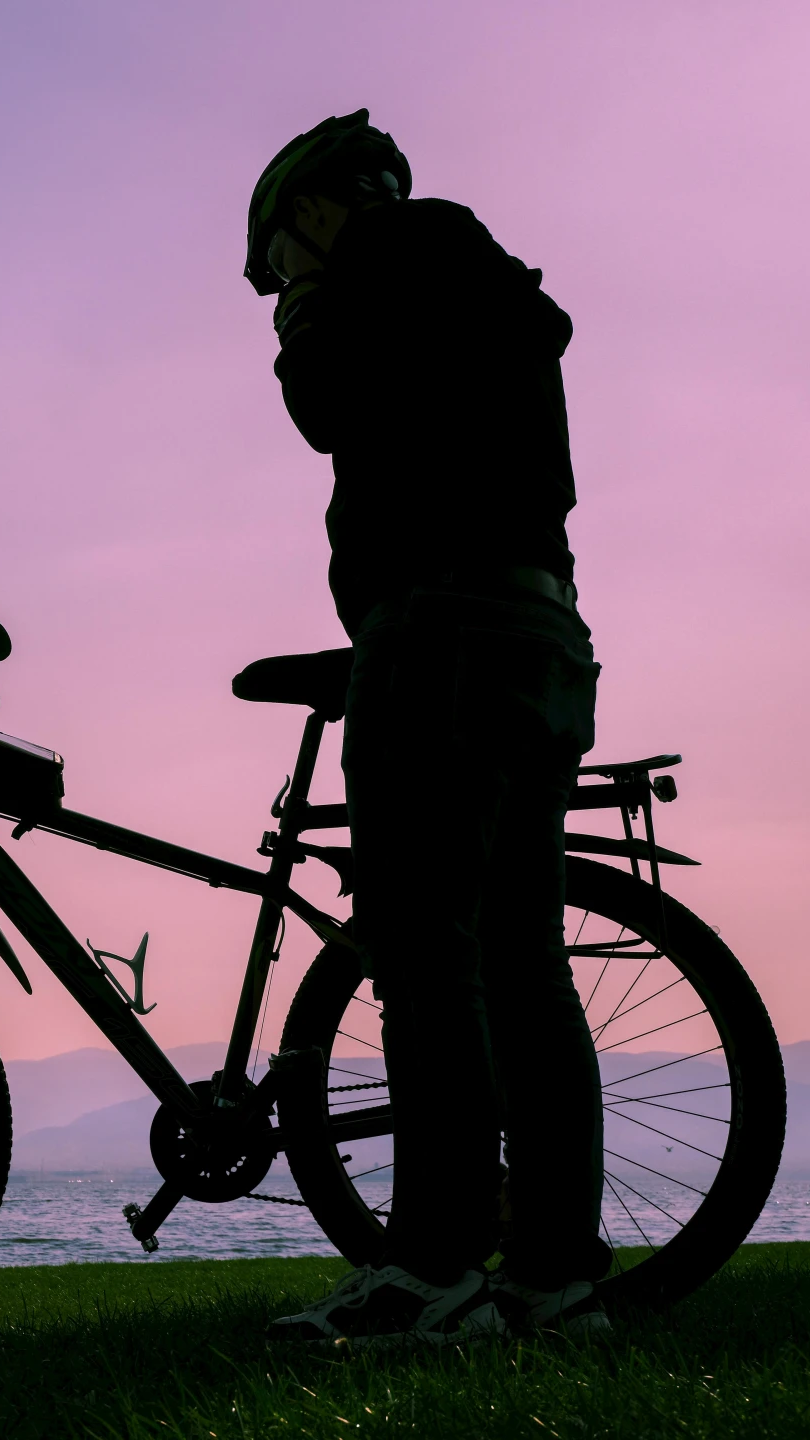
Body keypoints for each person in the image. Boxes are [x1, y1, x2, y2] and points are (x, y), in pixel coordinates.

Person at [245, 111, 610, 1345]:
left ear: (315, 211)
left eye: (281, 255)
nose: (283, 283)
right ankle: (553, 1278)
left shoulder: (391, 259)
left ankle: (436, 1266)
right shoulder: (480, 277)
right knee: (520, 964)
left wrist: (304, 306)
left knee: (424, 955)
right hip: (537, 632)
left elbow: (324, 407)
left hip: (438, 636)